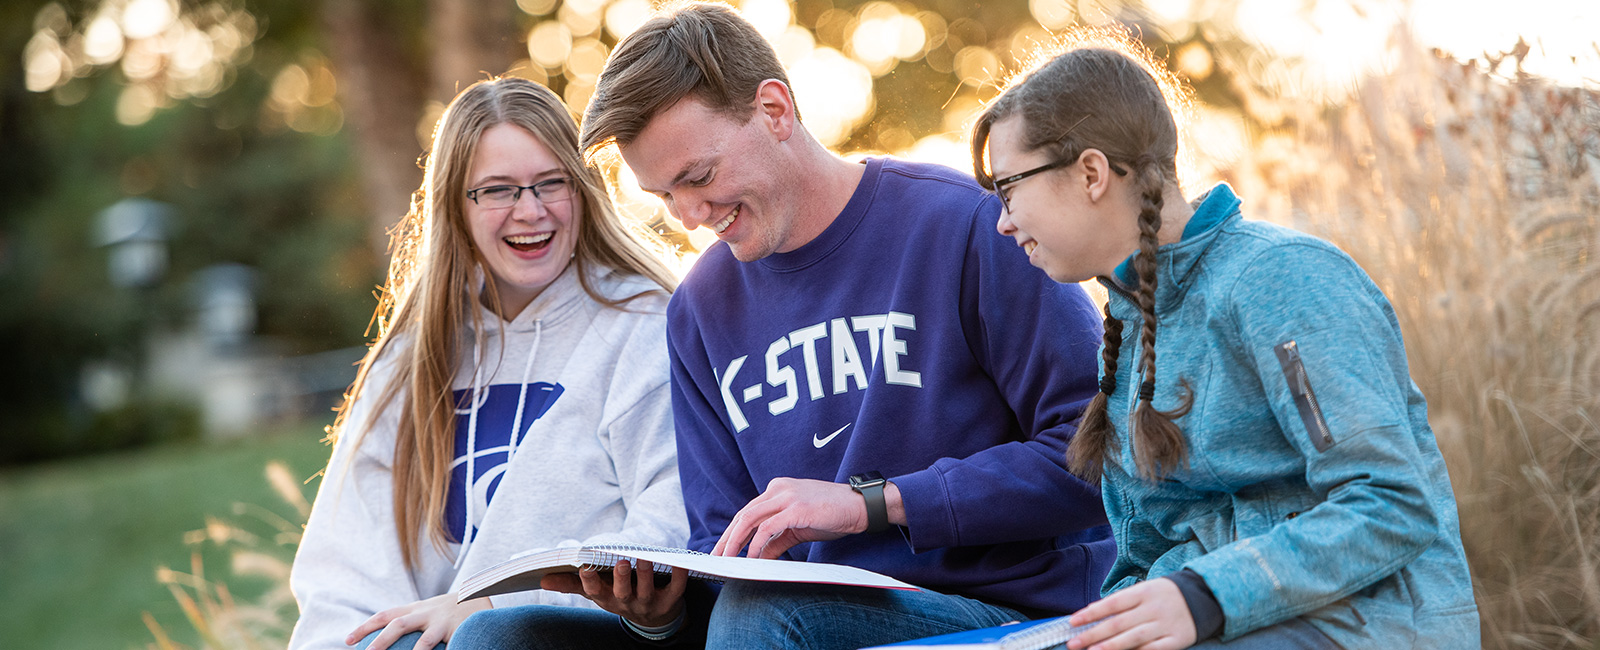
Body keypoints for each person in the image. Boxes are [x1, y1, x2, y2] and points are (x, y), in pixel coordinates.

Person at [452, 4, 1115, 649]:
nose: (687, 214)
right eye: (662, 195)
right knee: (498, 634)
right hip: (779, 618)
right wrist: (657, 614)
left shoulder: (967, 226)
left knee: (769, 612)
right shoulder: (701, 308)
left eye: (699, 176)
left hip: (1002, 611)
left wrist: (872, 504)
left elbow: (1104, 459)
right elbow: (723, 554)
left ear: (774, 110)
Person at [970, 29, 1481, 650]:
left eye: (1008, 187)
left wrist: (1205, 594)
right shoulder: (1134, 325)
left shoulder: (1281, 279)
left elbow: (1391, 503)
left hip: (1363, 630)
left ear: (1092, 173)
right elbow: (1147, 557)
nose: (1001, 220)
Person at [287, 77, 689, 650]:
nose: (531, 211)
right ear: (456, 205)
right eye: (498, 190)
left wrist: (488, 605)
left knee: (489, 638)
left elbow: (668, 526)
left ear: (583, 191)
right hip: (440, 642)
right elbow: (341, 574)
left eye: (552, 183)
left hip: (574, 635)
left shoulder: (642, 326)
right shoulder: (413, 357)